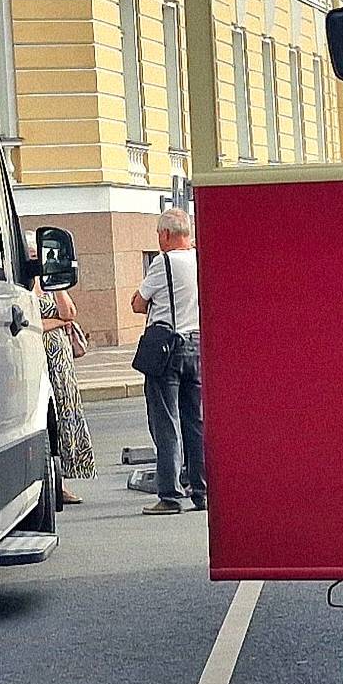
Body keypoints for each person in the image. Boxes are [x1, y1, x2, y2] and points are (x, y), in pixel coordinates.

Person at [132, 207, 205, 514]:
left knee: (166, 422)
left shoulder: (163, 263)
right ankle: (201, 491)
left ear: (164, 235)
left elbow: (138, 303)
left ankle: (170, 495)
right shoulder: (201, 259)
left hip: (168, 348)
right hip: (198, 344)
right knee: (195, 422)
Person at [38, 286, 93, 505]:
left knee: (65, 417)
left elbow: (69, 312)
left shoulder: (49, 288)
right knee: (49, 421)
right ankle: (54, 483)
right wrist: (59, 323)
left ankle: (62, 480)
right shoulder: (23, 289)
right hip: (41, 359)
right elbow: (33, 324)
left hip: (61, 363)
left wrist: (57, 287)